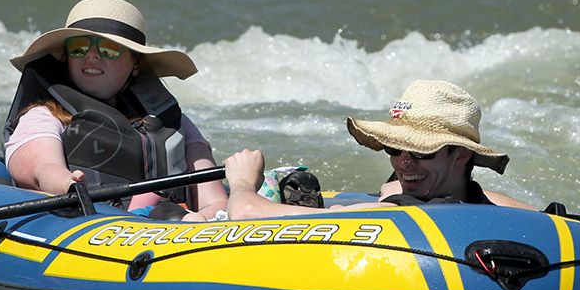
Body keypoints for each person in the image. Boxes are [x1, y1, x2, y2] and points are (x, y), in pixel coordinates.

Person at [2, 0, 226, 222]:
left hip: (172, 225)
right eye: (79, 48)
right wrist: (67, 184)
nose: (91, 55)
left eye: (109, 49)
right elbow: (43, 168)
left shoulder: (172, 122)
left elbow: (214, 202)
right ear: (66, 58)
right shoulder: (44, 115)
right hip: (92, 226)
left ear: (136, 64)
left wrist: (198, 220)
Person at [225, 80, 534, 220]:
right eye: (394, 149)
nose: (404, 162)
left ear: (462, 154)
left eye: (420, 152)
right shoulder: (486, 205)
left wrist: (241, 182)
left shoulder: (393, 213)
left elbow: (246, 213)